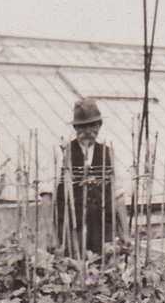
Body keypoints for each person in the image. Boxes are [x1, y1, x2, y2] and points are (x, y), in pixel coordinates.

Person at [55, 98, 129, 256]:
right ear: (75, 127)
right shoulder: (63, 152)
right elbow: (48, 194)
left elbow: (118, 195)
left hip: (102, 228)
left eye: (92, 125)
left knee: (103, 269)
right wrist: (52, 235)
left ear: (99, 125)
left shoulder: (108, 153)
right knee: (72, 267)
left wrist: (125, 232)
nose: (88, 131)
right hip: (72, 228)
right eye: (83, 126)